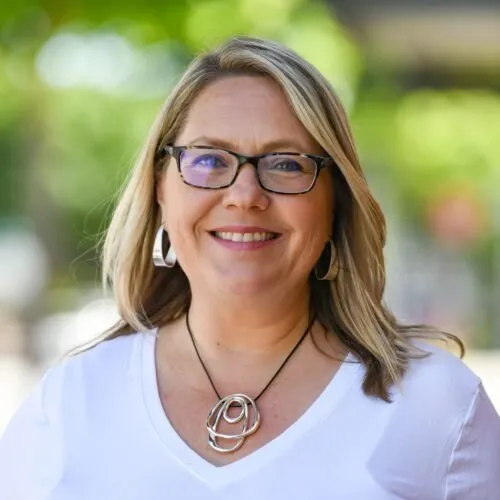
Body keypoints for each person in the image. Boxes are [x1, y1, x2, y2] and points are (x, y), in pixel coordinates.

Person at [1, 35, 499, 499]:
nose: (244, 196)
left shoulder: (439, 407)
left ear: (336, 202)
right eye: (209, 160)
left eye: (286, 164)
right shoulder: (70, 404)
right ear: (160, 188)